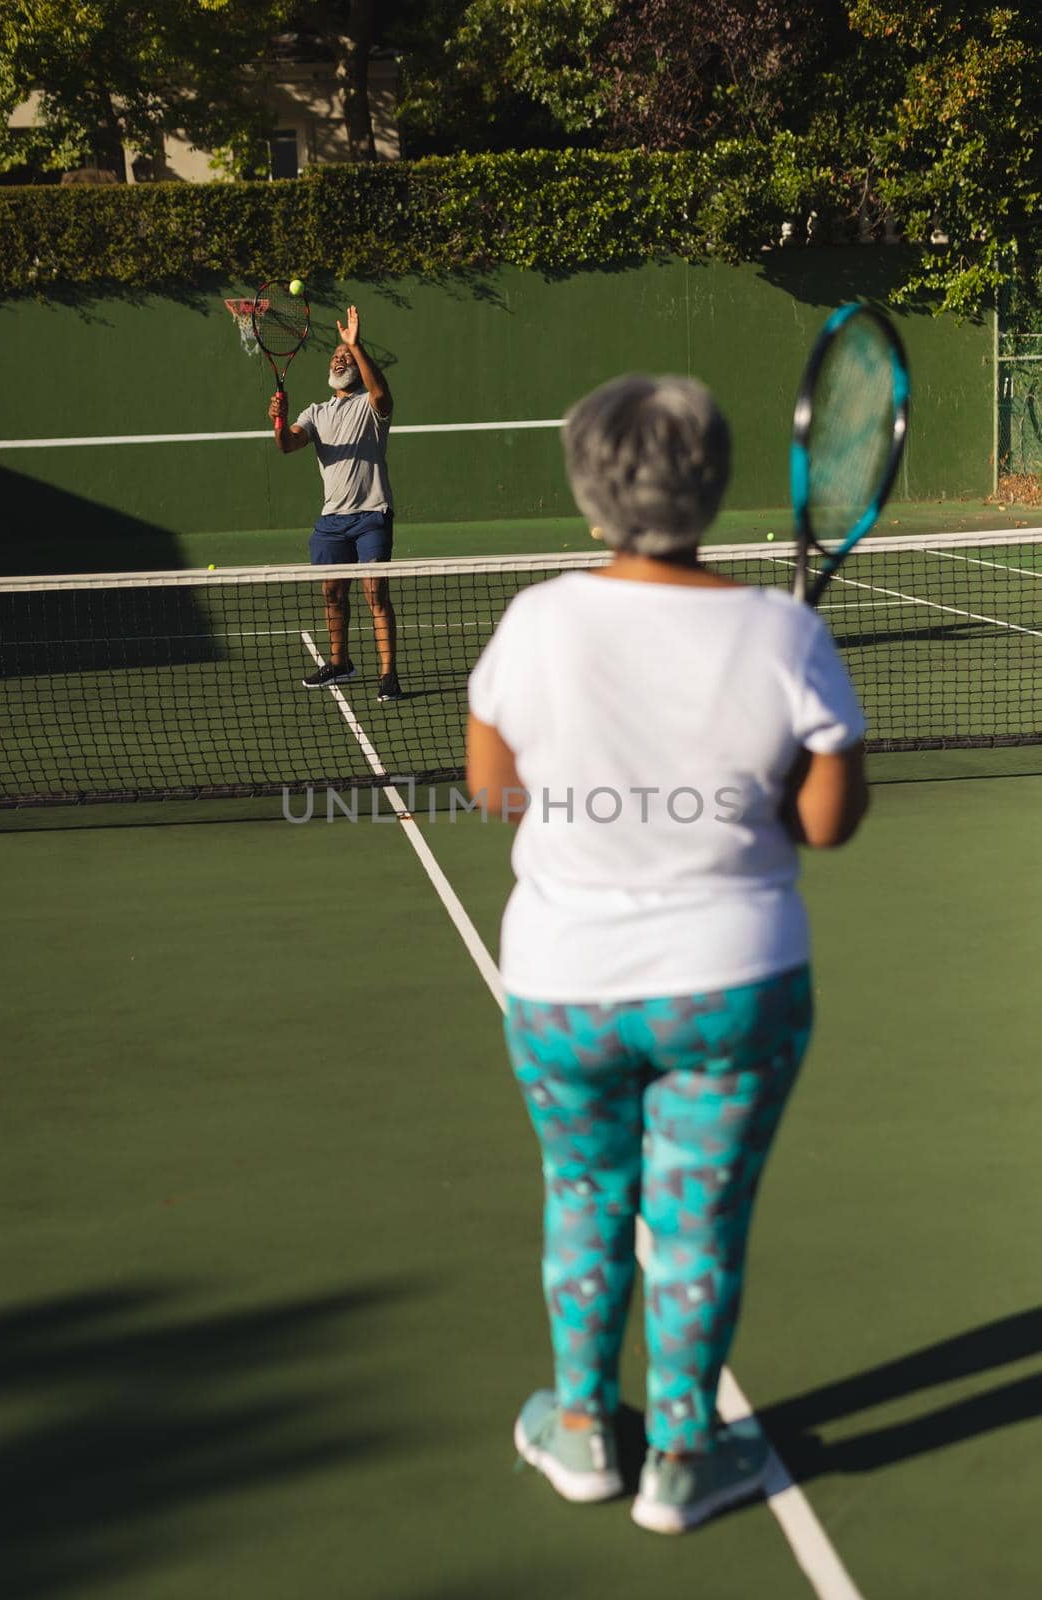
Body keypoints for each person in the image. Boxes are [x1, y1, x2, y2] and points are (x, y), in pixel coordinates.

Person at [465, 374, 867, 1534]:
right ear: (713, 484)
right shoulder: (783, 632)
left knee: (584, 1196)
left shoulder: (535, 619)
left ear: (591, 496)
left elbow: (496, 796)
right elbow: (826, 823)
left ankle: (584, 1429)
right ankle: (685, 1451)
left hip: (561, 990)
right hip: (733, 988)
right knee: (699, 1226)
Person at [268, 303, 401, 701]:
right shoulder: (316, 412)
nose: (340, 357)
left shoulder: (371, 406)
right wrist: (279, 421)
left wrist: (355, 344)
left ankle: (388, 675)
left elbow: (382, 393)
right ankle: (340, 663)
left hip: (371, 514)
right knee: (332, 593)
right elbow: (289, 445)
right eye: (337, 354)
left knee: (375, 593)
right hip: (332, 520)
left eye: (347, 356)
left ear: (358, 369)